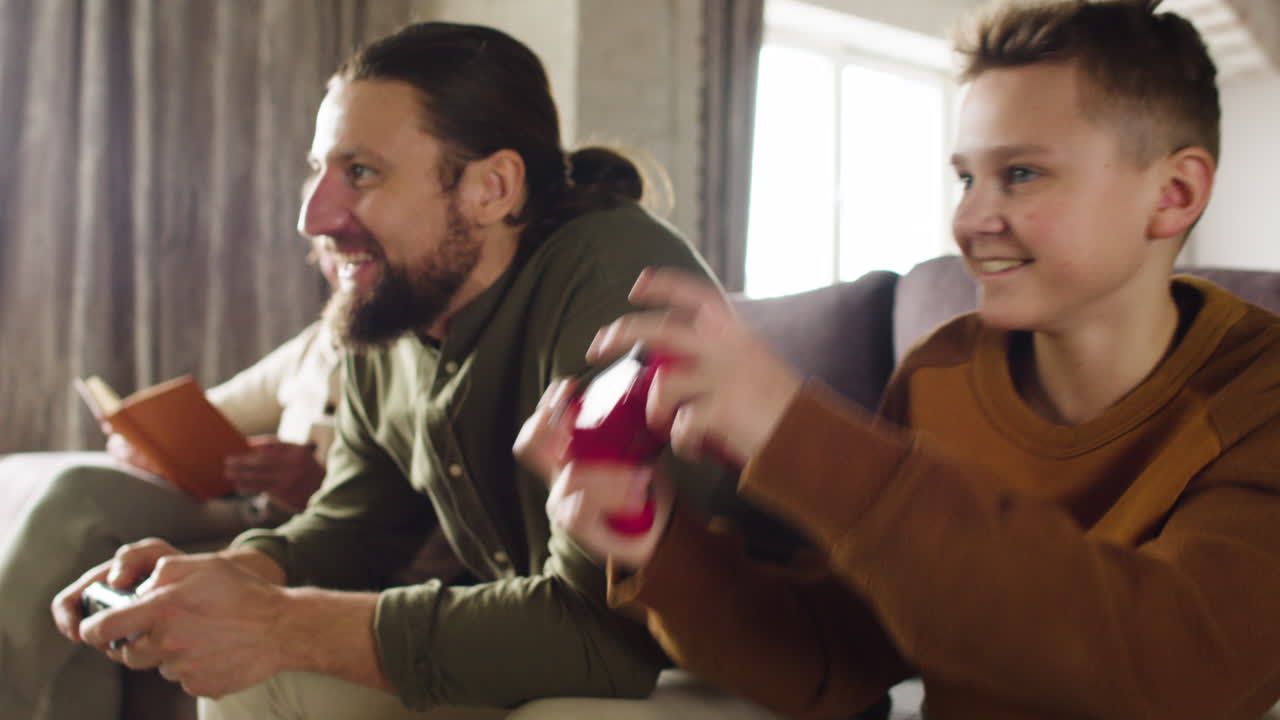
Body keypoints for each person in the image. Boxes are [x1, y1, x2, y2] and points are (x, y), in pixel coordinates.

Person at [518, 0, 1280, 717]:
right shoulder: (941, 372)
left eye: (1021, 173)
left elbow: (1180, 669)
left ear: (1175, 193)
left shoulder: (1263, 391)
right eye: (965, 177)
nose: (970, 219)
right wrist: (656, 541)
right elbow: (839, 664)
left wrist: (800, 434)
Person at [51, 21, 720, 720]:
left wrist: (277, 622)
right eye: (319, 170)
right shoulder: (396, 309)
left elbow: (607, 639)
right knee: (248, 675)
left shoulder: (618, 288)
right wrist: (225, 575)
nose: (313, 217)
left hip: (712, 664)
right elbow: (356, 524)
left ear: (492, 187)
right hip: (561, 649)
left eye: (361, 172)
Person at [0, 235, 342, 719]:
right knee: (79, 516)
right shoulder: (317, 345)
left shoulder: (411, 350)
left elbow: (380, 510)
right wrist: (140, 439)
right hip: (251, 510)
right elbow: (211, 413)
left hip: (299, 527)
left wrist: (317, 485)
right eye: (323, 247)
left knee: (85, 512)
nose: (336, 257)